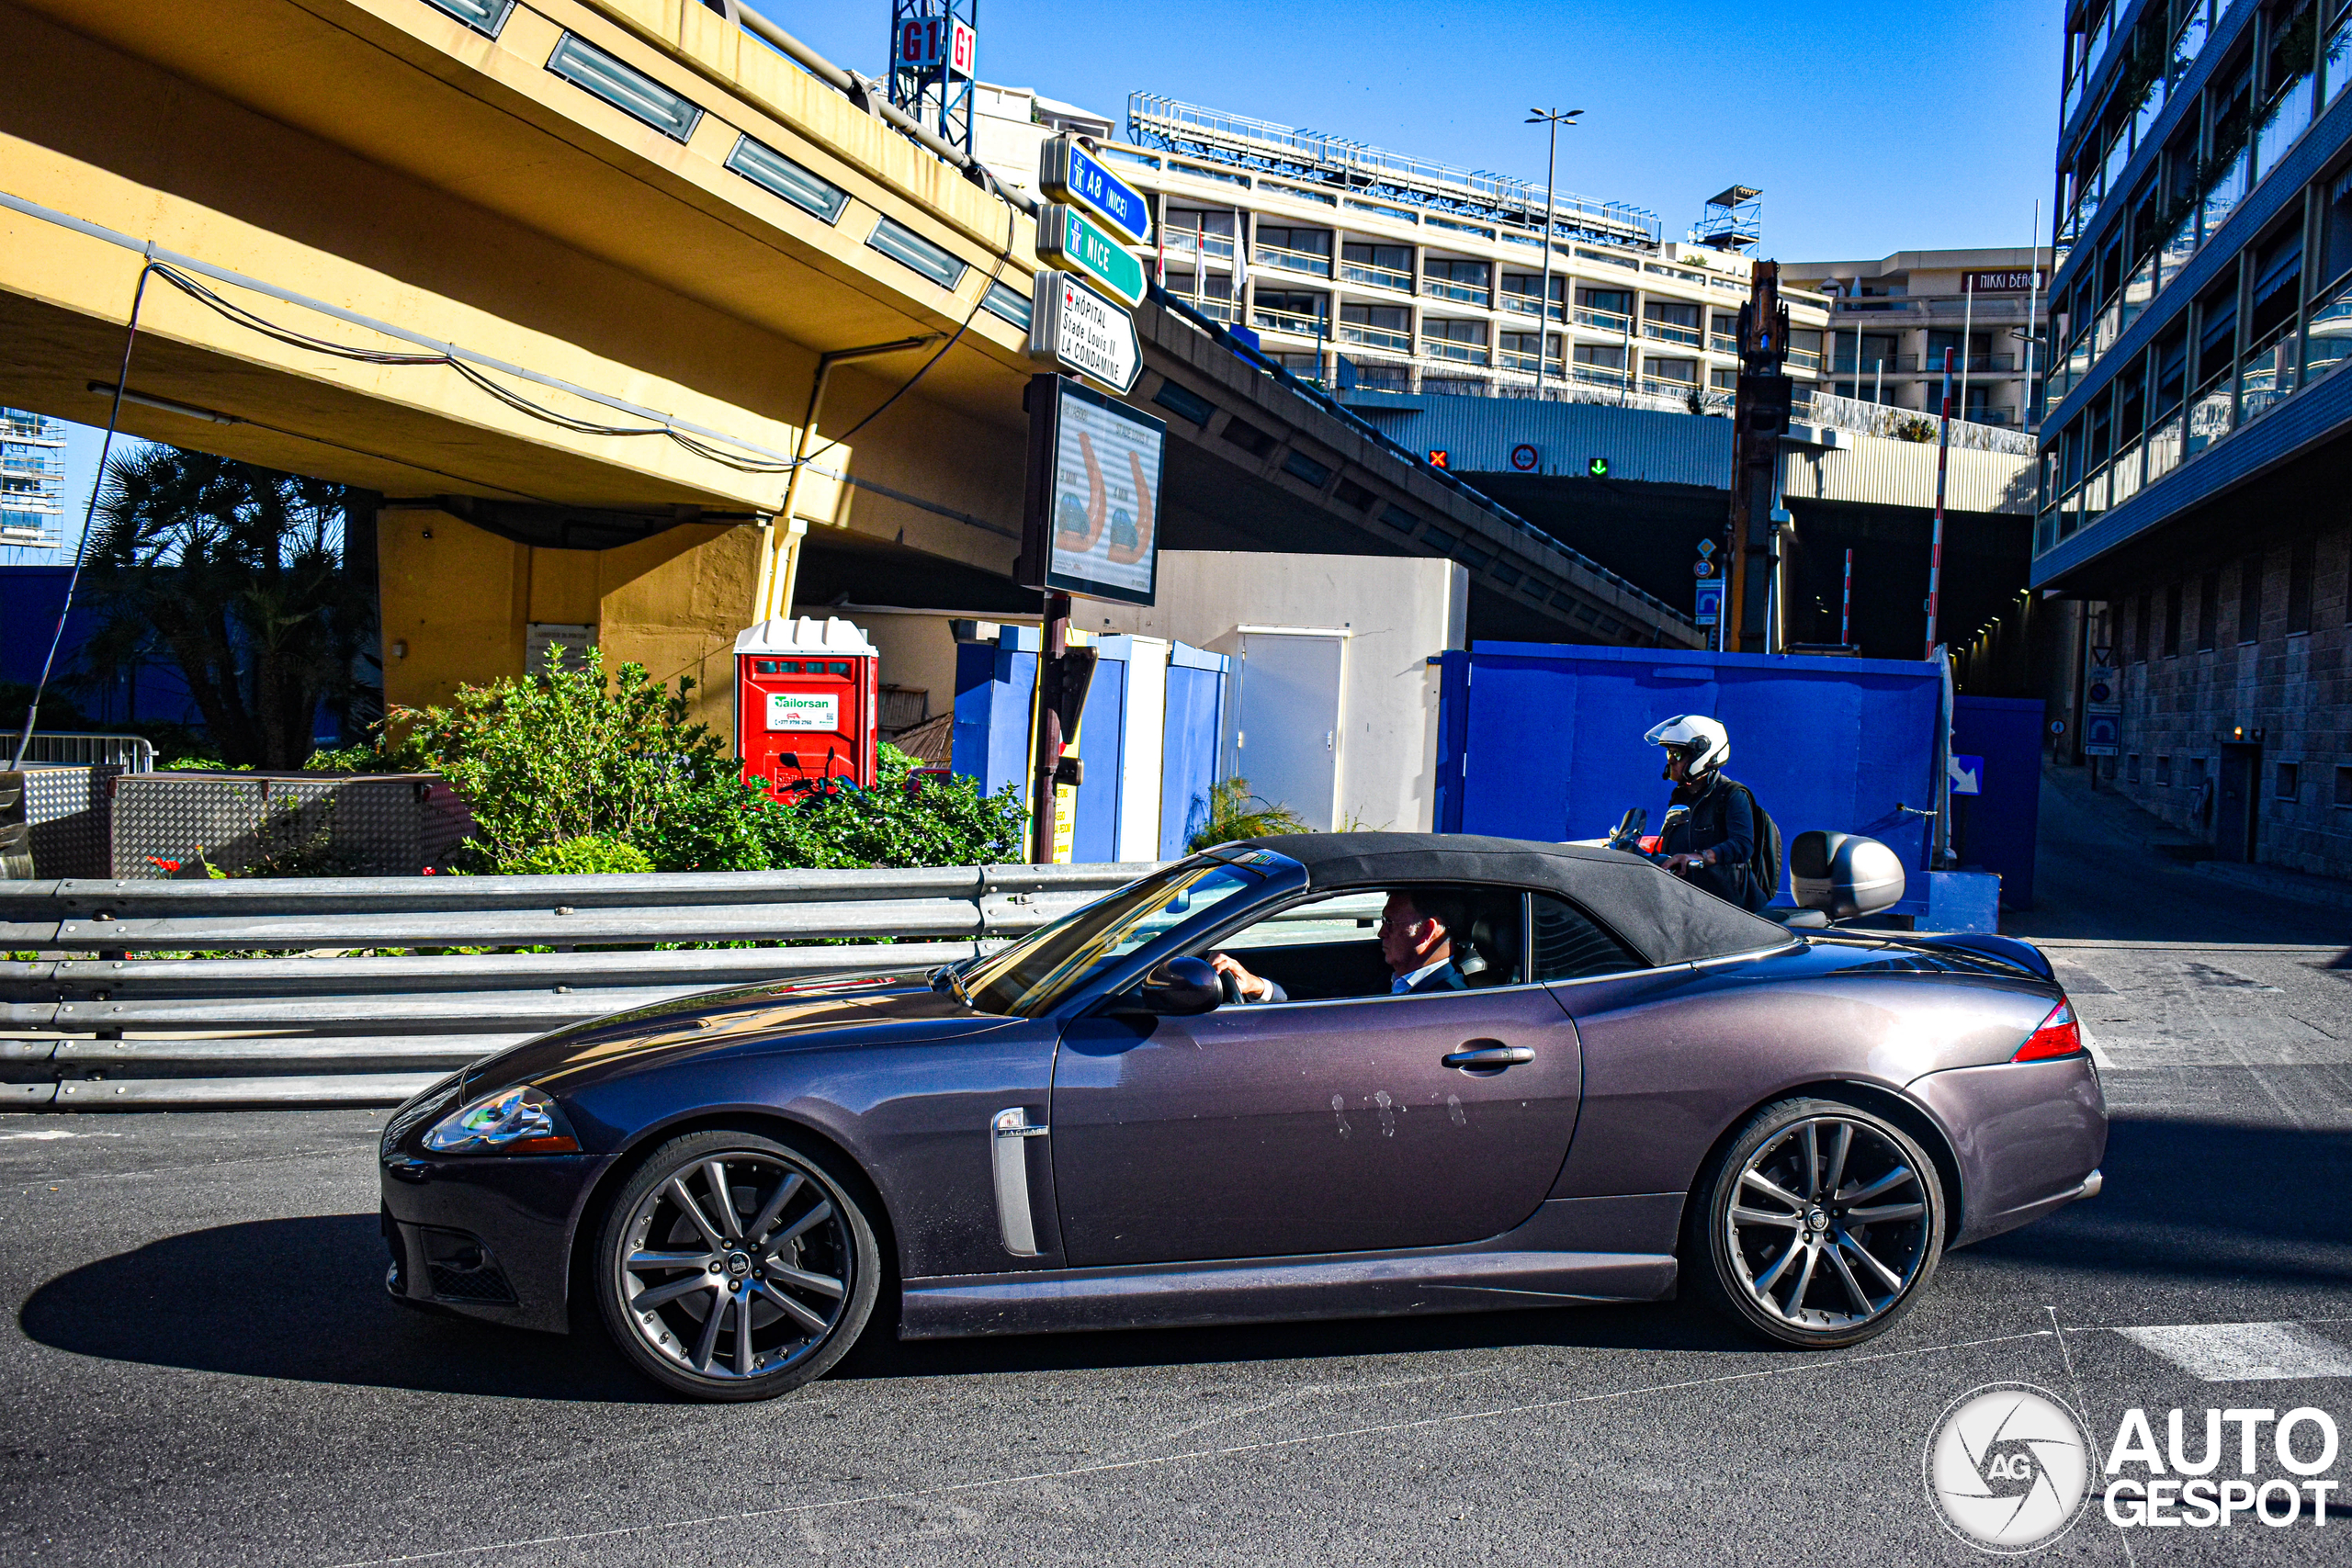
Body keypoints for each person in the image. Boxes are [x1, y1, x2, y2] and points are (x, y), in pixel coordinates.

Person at [1209, 889, 1468, 1001]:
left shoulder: (1446, 1000)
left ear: (1426, 932)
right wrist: (1257, 986)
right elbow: (1328, 1004)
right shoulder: (1394, 983)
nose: (1380, 933)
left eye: (1389, 922)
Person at [1644, 714, 1772, 912]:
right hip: (1691, 902)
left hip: (1730, 908)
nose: (1670, 762)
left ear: (1703, 755)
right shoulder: (1681, 796)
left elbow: (1742, 845)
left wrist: (1698, 857)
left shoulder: (1732, 794)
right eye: (1669, 754)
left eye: (1676, 755)